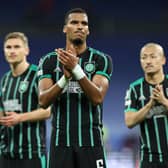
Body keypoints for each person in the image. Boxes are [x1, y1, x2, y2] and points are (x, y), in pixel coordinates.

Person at [38, 8, 112, 168]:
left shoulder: (102, 60)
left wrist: (76, 70)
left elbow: (97, 97)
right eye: (74, 22)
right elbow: (43, 101)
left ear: (88, 30)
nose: (80, 26)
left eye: (84, 23)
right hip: (60, 143)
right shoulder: (49, 61)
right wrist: (65, 78)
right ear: (65, 28)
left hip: (92, 142)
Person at [0, 32, 50, 168]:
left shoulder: (37, 75)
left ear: (26, 50)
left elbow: (49, 110)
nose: (12, 51)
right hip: (6, 154)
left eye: (17, 47)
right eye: (8, 47)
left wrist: (20, 118)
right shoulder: (5, 80)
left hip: (32, 155)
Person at [124, 42, 168, 168]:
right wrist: (149, 105)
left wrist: (163, 101)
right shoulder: (134, 89)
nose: (148, 61)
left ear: (163, 60)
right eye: (144, 57)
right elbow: (129, 122)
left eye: (153, 57)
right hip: (149, 159)